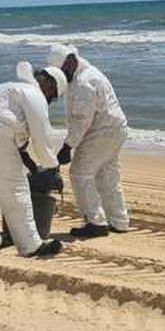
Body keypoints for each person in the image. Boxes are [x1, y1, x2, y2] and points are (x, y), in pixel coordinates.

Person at [0, 61, 66, 258]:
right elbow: (42, 136)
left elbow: (17, 139)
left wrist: (32, 166)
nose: (49, 101)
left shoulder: (4, 88)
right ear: (49, 85)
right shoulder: (35, 94)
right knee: (16, 191)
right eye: (52, 97)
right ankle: (31, 246)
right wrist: (52, 168)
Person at [50, 42, 130, 238]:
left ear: (70, 61)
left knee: (79, 173)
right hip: (115, 128)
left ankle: (95, 222)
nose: (62, 75)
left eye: (62, 70)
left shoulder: (84, 82)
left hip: (102, 131)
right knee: (108, 175)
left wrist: (68, 146)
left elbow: (81, 120)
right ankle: (119, 221)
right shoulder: (86, 74)